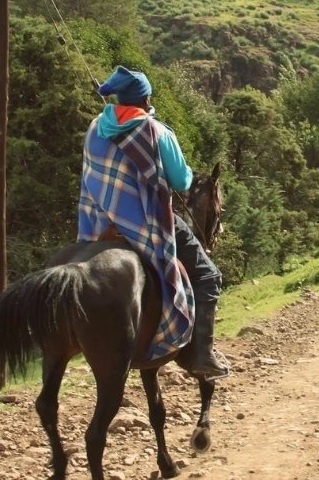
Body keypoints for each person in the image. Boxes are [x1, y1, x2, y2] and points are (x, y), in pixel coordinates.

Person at [77, 65, 228, 379]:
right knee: (208, 275)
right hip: (144, 223)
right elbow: (181, 181)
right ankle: (201, 353)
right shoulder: (157, 131)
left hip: (99, 223)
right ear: (146, 98)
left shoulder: (94, 126)